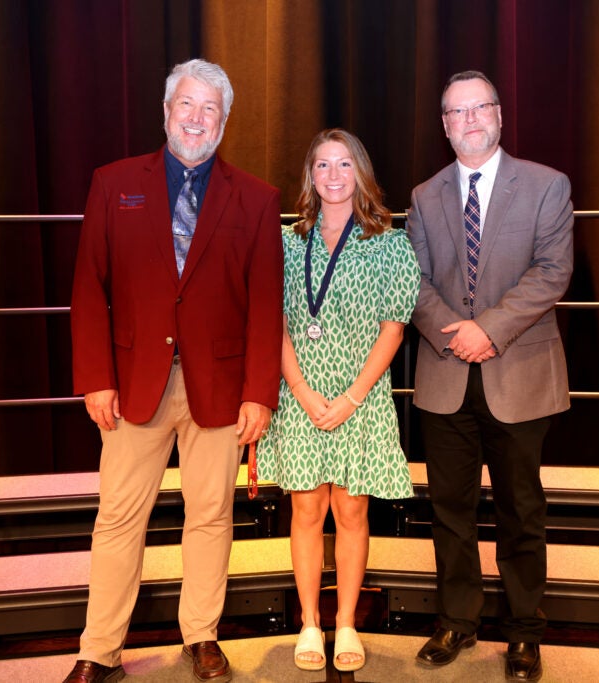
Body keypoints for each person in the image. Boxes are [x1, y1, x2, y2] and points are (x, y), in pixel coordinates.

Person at [64, 59, 283, 683]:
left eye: (209, 109)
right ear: (166, 112)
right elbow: (89, 289)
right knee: (118, 517)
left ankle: (201, 637)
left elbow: (267, 304)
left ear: (224, 121)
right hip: (133, 385)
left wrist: (259, 394)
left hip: (219, 389)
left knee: (210, 515)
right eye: (186, 105)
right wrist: (95, 377)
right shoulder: (113, 184)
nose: (196, 118)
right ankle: (99, 651)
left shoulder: (258, 199)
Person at [407, 70, 573, 682]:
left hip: (520, 376)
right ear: (445, 126)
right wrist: (457, 330)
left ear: (500, 115)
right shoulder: (424, 197)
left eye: (479, 108)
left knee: (520, 510)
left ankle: (525, 631)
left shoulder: (547, 186)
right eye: (456, 112)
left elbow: (552, 274)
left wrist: (490, 330)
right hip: (445, 374)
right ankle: (457, 621)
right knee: (449, 509)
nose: (469, 120)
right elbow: (413, 282)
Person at [255, 129, 419, 673]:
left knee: (351, 510)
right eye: (322, 165)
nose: (332, 175)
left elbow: (393, 331)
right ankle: (309, 623)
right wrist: (301, 391)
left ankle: (345, 621)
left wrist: (348, 399)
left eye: (344, 164)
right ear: (310, 176)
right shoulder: (287, 242)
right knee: (305, 510)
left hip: (360, 398)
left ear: (361, 173)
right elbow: (272, 323)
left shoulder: (390, 243)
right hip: (299, 392)